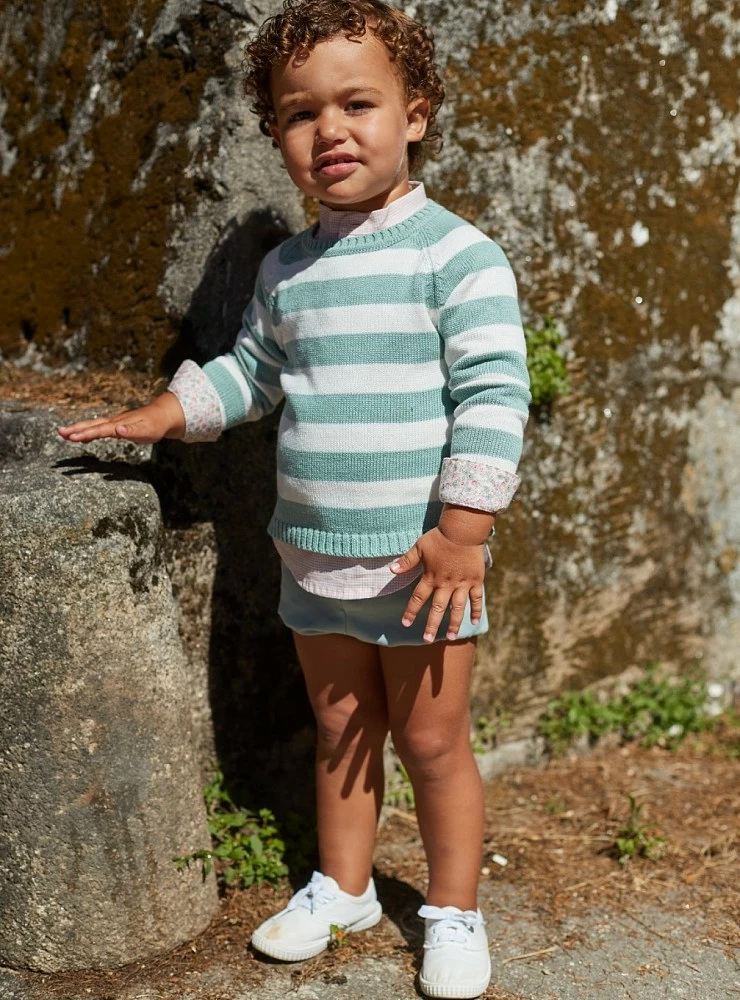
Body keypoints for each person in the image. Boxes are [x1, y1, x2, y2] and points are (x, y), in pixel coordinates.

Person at [58, 1, 531, 995]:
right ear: (275, 132)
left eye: (358, 103)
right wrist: (164, 412)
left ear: (416, 114)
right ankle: (345, 882)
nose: (330, 131)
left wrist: (462, 528)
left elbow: (493, 393)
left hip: (424, 565)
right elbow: (249, 376)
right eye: (299, 113)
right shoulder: (287, 270)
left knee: (434, 739)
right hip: (312, 555)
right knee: (340, 726)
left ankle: (451, 908)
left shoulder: (457, 256)